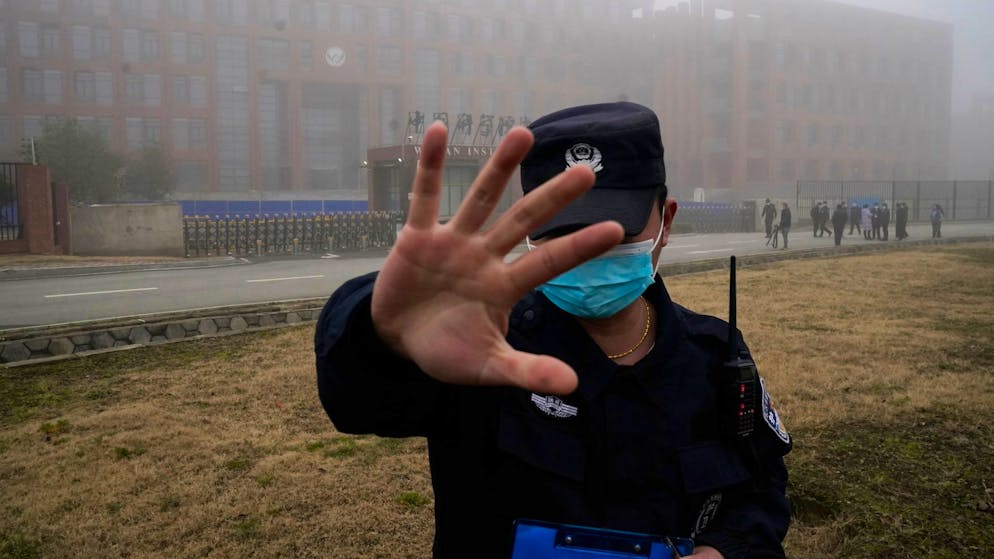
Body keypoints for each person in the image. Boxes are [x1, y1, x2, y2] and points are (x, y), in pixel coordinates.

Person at [315, 102, 791, 559]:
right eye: (561, 229)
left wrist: (729, 550)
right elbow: (358, 401)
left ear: (665, 221)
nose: (585, 251)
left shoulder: (714, 355)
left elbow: (762, 487)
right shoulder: (481, 349)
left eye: (613, 228)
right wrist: (383, 333)